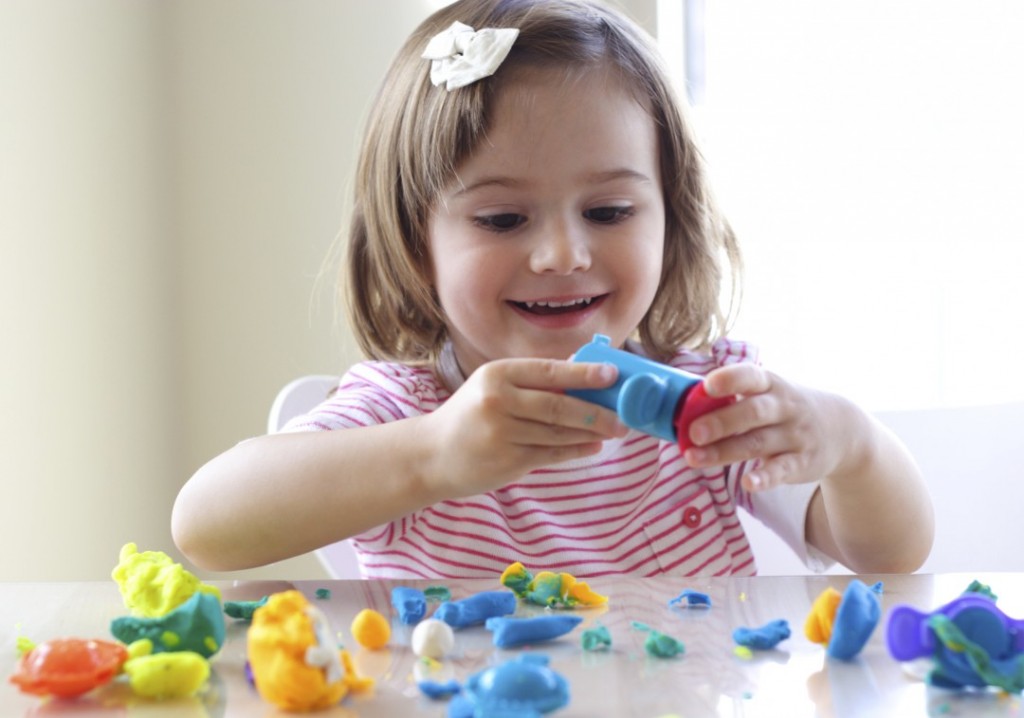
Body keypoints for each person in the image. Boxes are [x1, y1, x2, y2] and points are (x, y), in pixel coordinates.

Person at [172, 0, 934, 578]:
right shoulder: (411, 415)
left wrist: (850, 445)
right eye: (503, 218)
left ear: (673, 217)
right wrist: (431, 456)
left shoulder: (701, 407)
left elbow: (891, 559)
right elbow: (205, 525)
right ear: (415, 243)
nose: (563, 253)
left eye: (609, 211)